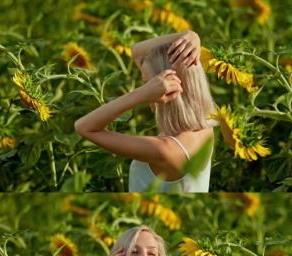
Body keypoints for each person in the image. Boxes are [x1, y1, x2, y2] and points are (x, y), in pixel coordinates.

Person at [75, 31, 216, 192]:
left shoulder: (164, 150)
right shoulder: (205, 124)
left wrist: (140, 95)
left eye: (147, 83)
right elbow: (136, 51)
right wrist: (189, 36)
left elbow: (83, 127)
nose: (146, 88)